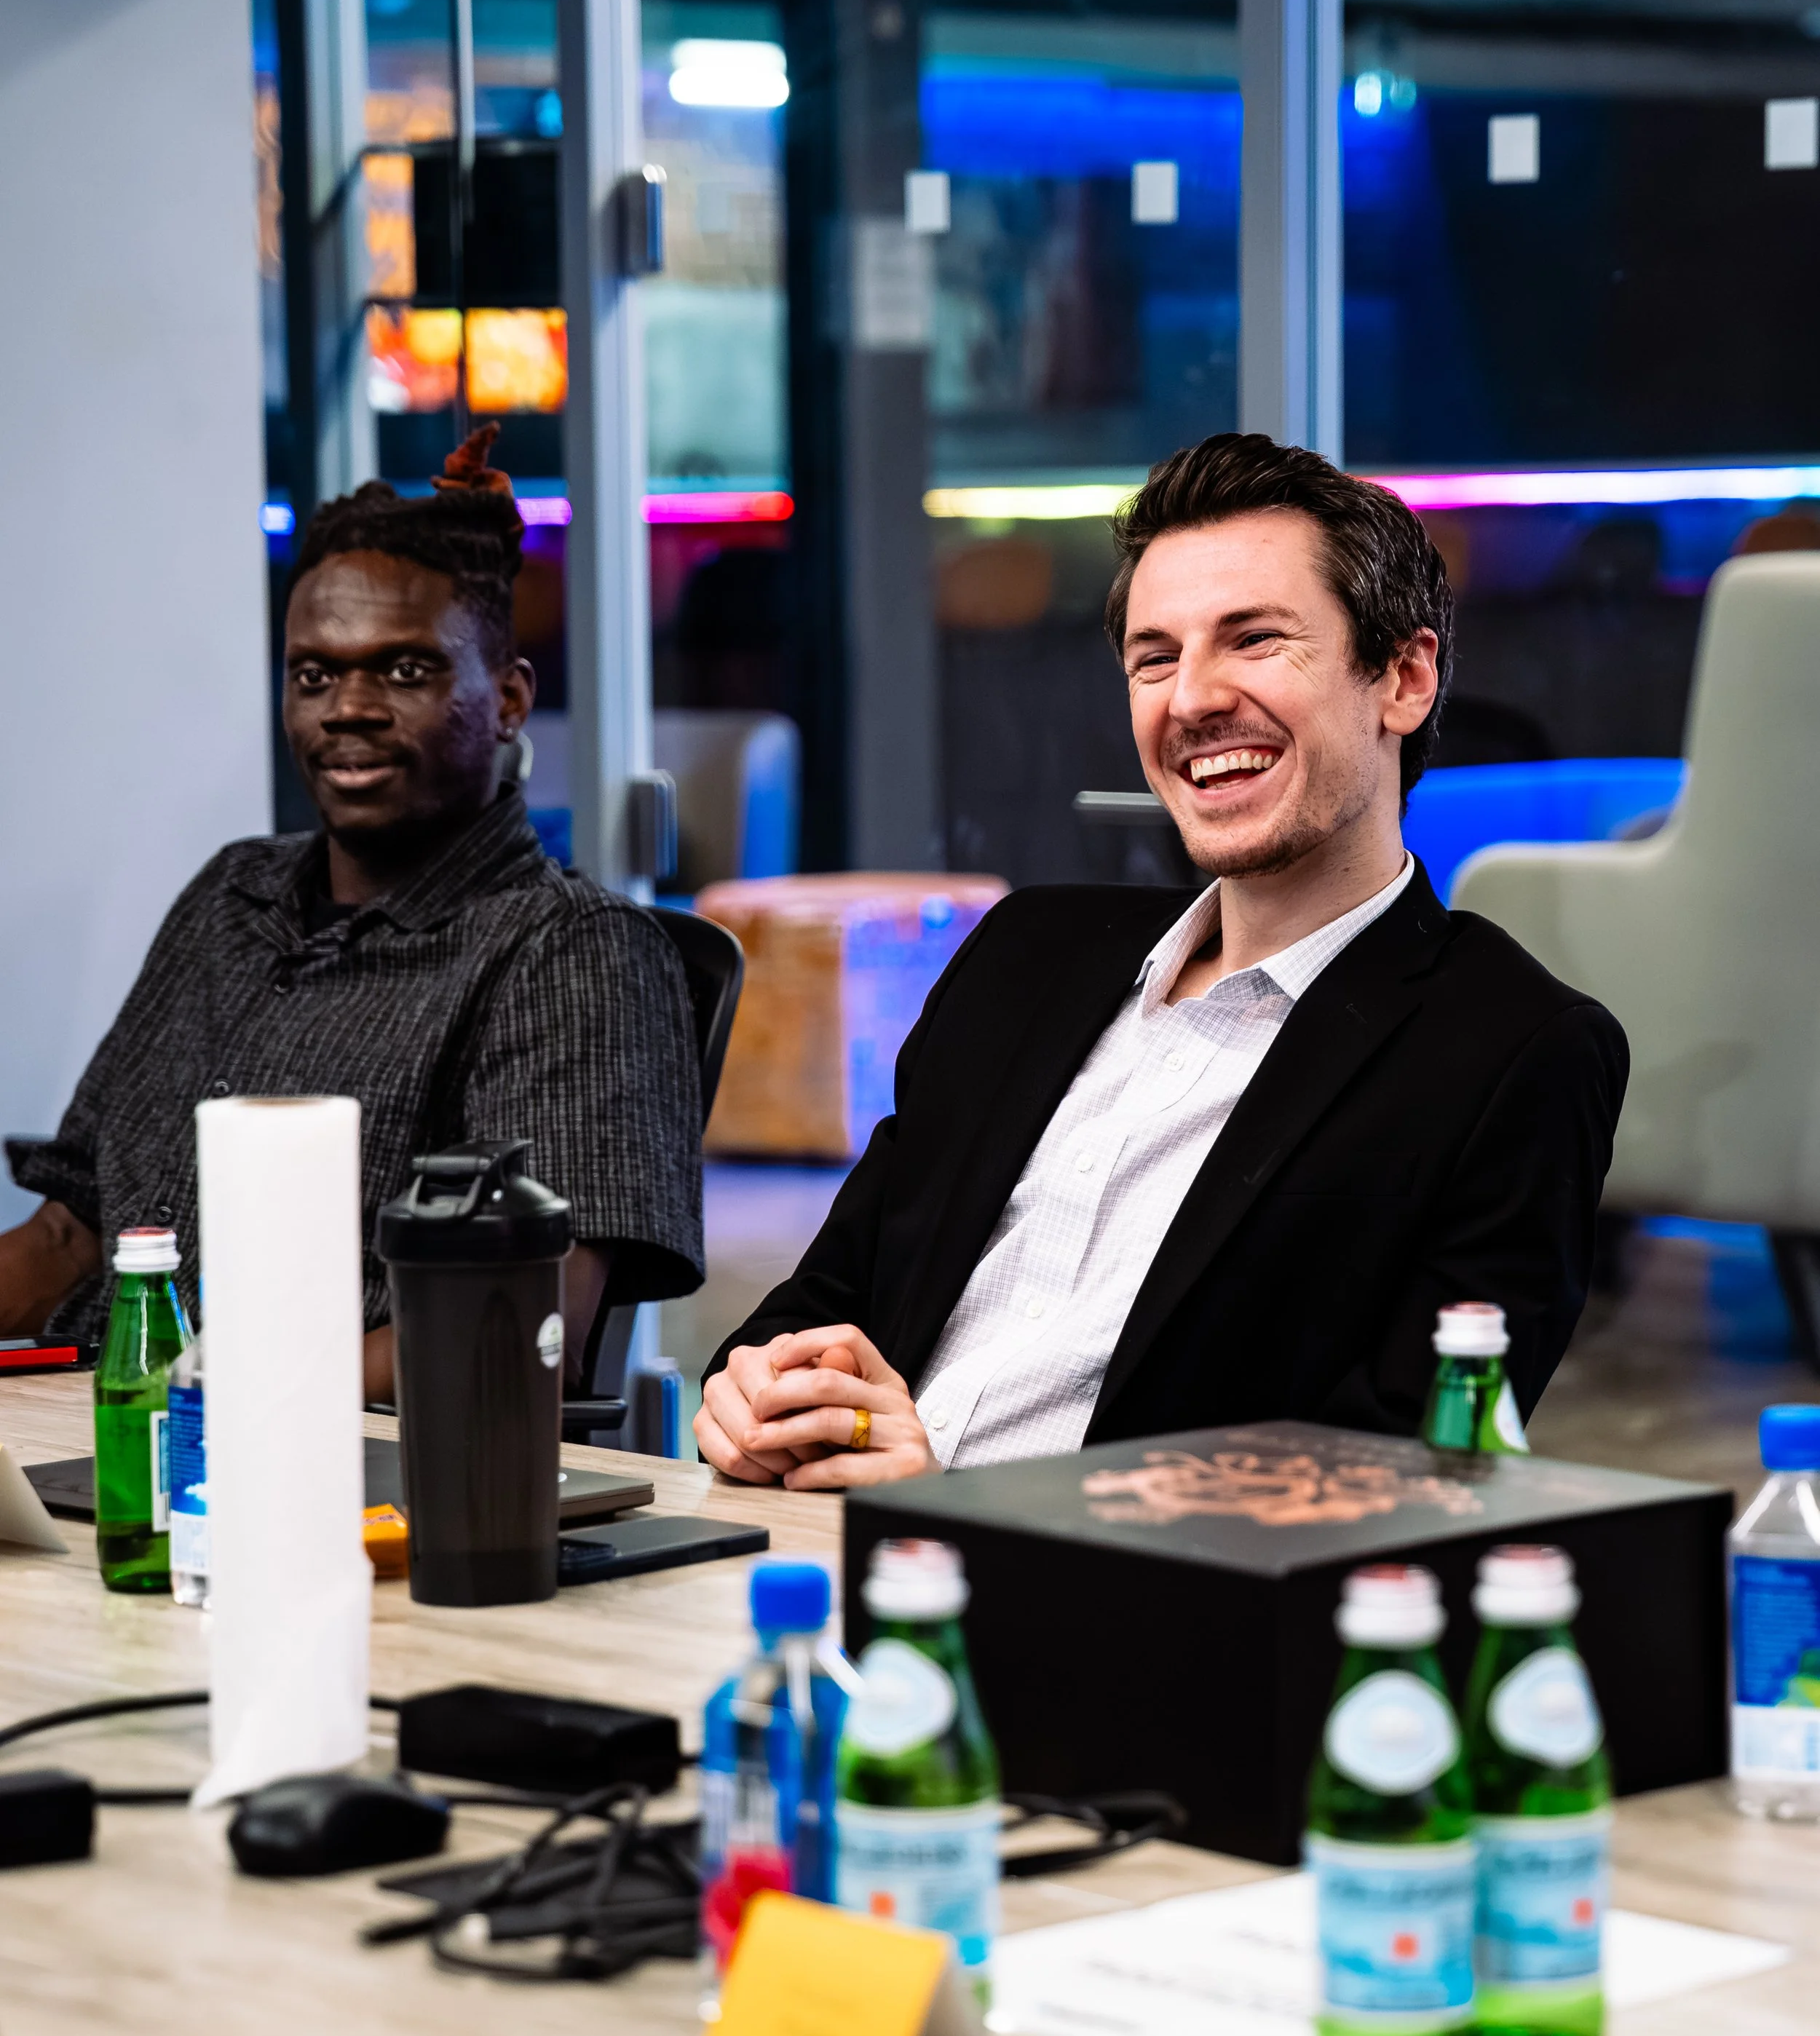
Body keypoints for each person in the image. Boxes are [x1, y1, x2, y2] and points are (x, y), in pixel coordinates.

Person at [696, 432, 1628, 1489]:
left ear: (1403, 680)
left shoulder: (1515, 1051)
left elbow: (1403, 1481)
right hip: (807, 1542)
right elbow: (829, 1299)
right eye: (1154, 658)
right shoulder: (1023, 953)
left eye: (1254, 640)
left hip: (1076, 1584)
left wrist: (958, 1511)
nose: (1190, 699)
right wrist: (758, 1388)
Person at [1, 427, 703, 1399]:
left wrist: (198, 1401)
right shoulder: (233, 897)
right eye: (314, 675)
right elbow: (71, 1233)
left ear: (508, 700)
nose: (348, 708)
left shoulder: (571, 953)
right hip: (92, 1425)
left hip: (332, 1461)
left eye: (406, 672)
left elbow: (520, 1331)